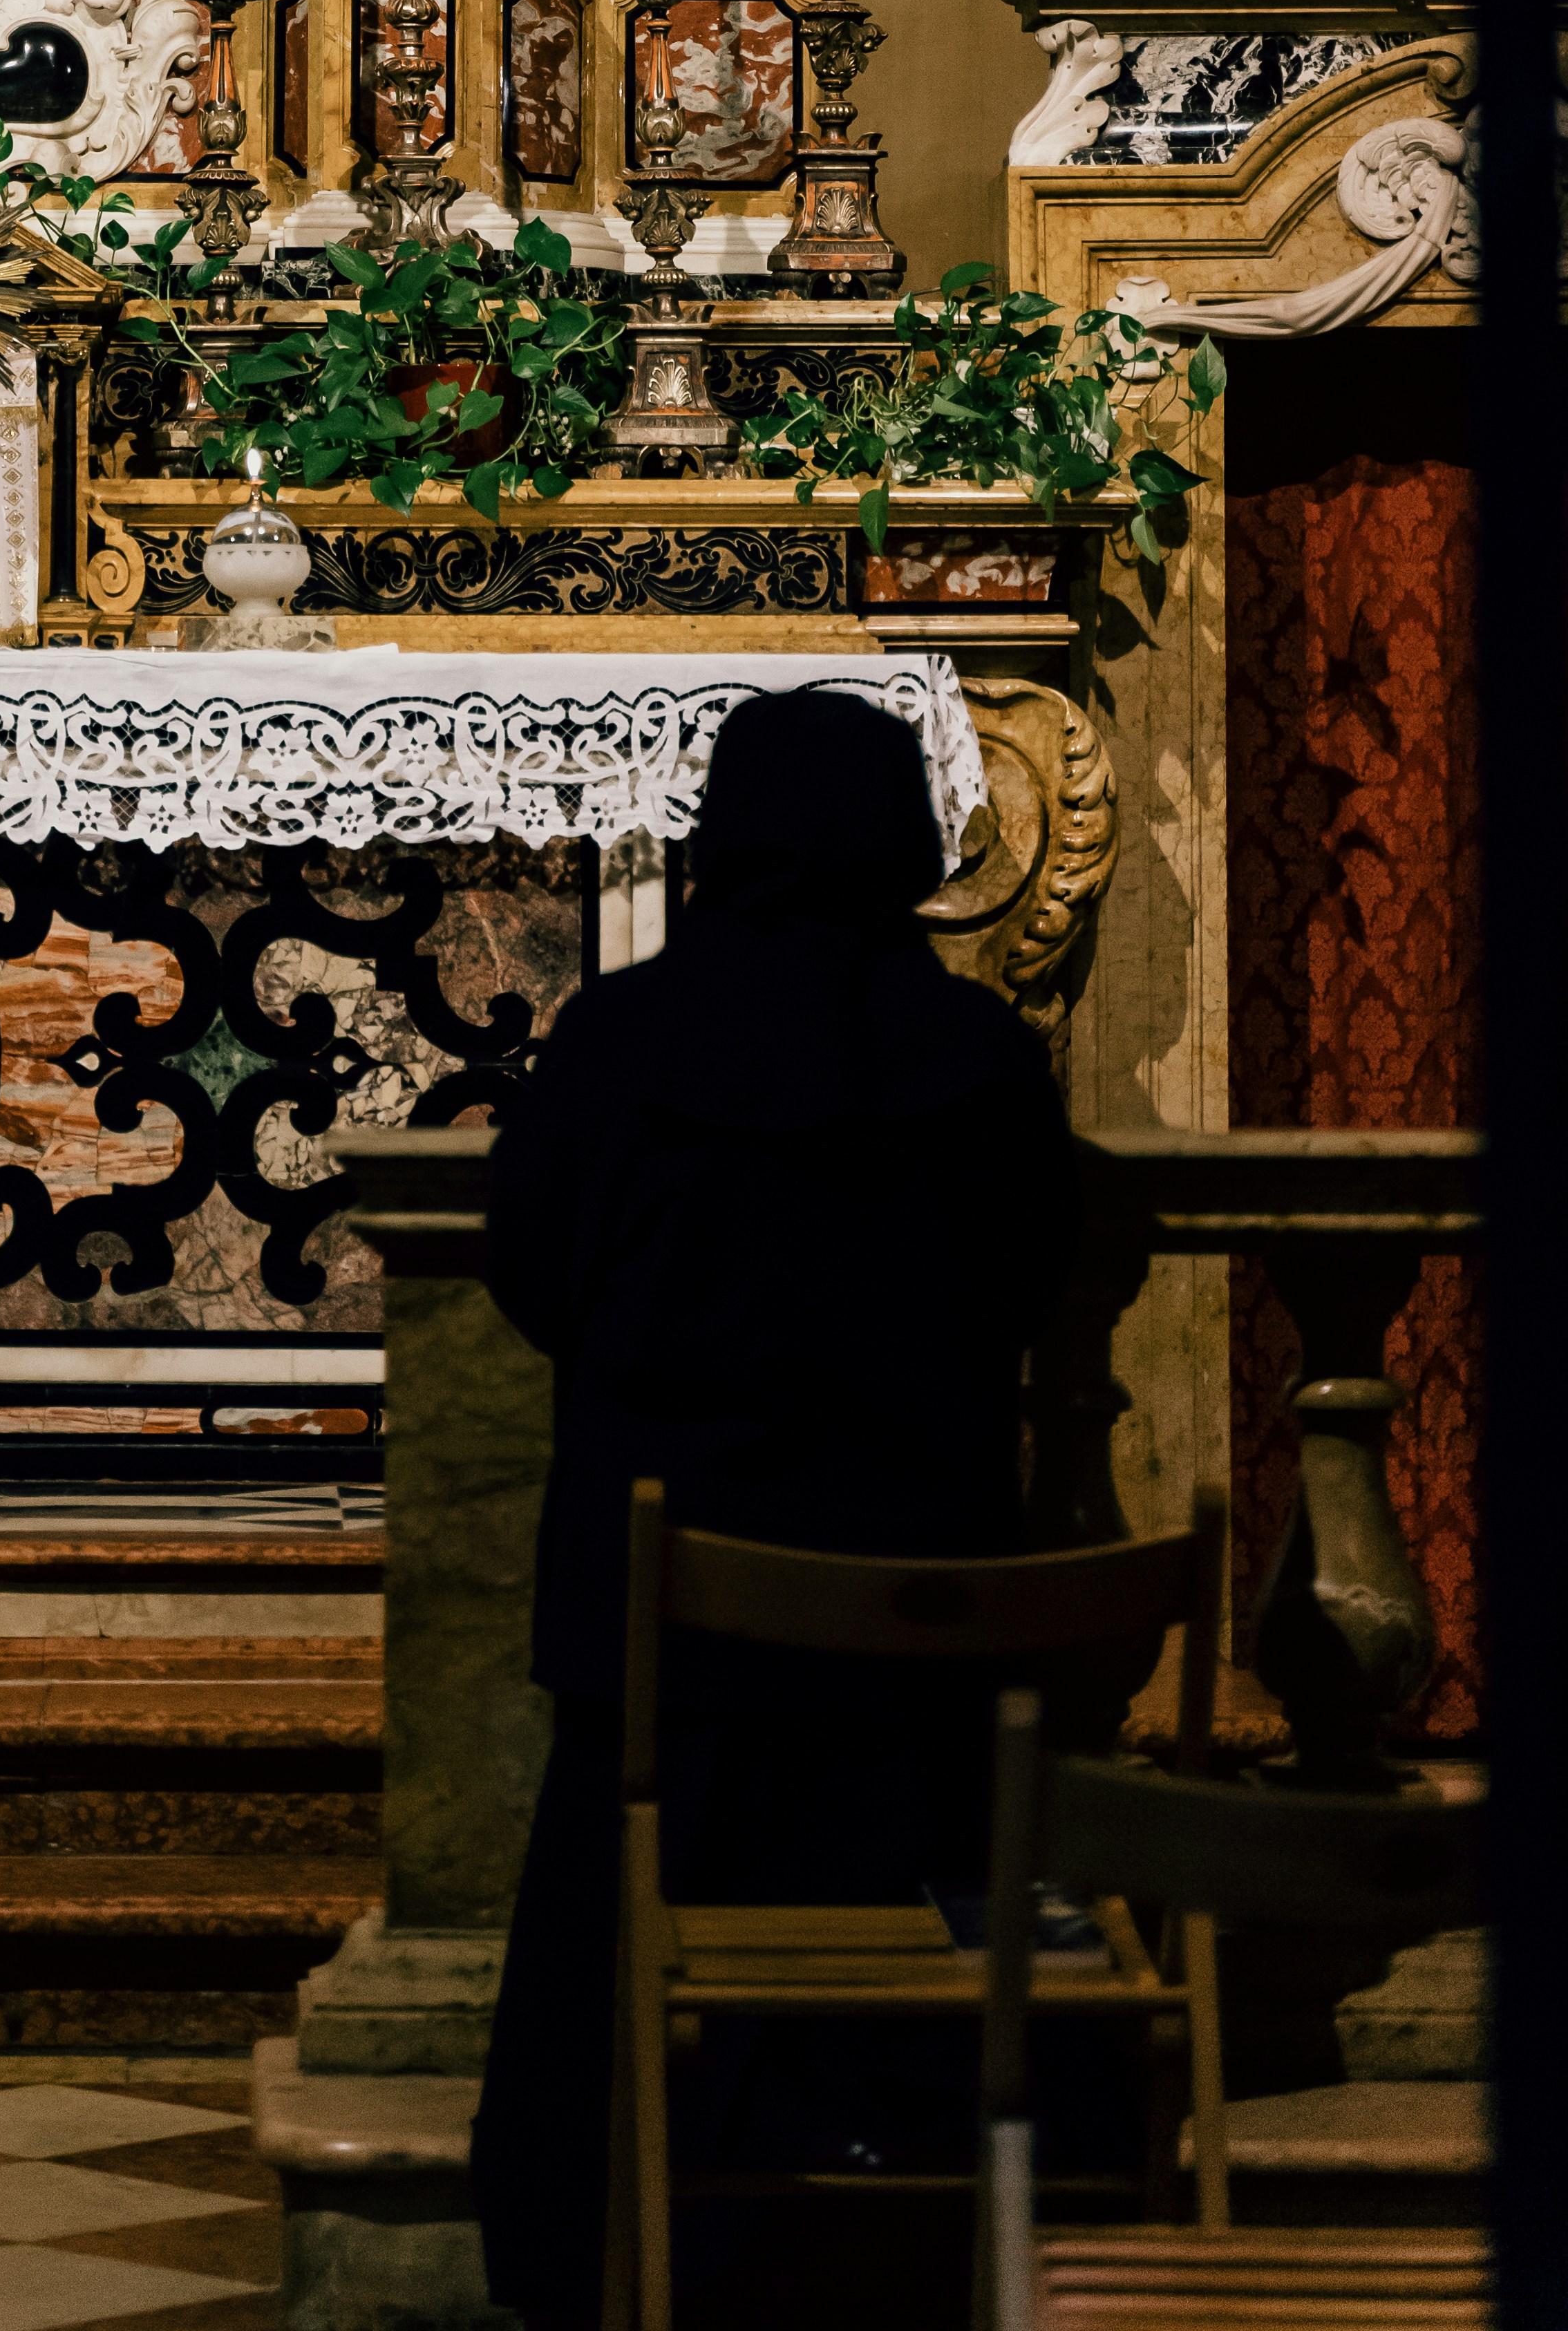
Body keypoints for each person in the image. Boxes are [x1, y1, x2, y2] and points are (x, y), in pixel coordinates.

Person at [469, 687, 1086, 2331]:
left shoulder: (618, 1041)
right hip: (927, 1648)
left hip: (668, 1649)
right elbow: (1047, 1271)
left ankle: (582, 2248)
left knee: (605, 1898)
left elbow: (528, 1267)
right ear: (902, 836)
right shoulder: (976, 1054)